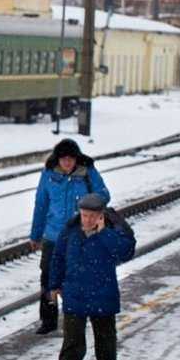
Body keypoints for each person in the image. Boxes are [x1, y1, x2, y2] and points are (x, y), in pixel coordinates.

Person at [47, 193, 136, 360]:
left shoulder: (113, 232)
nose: (86, 220)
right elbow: (58, 257)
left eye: (92, 216)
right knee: (72, 342)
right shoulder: (70, 231)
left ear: (101, 216)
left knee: (105, 339)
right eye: (84, 215)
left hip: (102, 293)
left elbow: (125, 252)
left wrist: (104, 233)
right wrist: (54, 284)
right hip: (74, 293)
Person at [29, 138, 110, 335]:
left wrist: (89, 207)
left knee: (77, 277)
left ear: (76, 159)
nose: (67, 163)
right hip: (53, 236)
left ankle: (77, 316)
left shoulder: (87, 173)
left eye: (70, 159)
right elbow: (41, 205)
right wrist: (36, 234)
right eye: (63, 159)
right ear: (57, 159)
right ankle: (48, 320)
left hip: (80, 234)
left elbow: (104, 195)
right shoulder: (48, 175)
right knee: (48, 276)